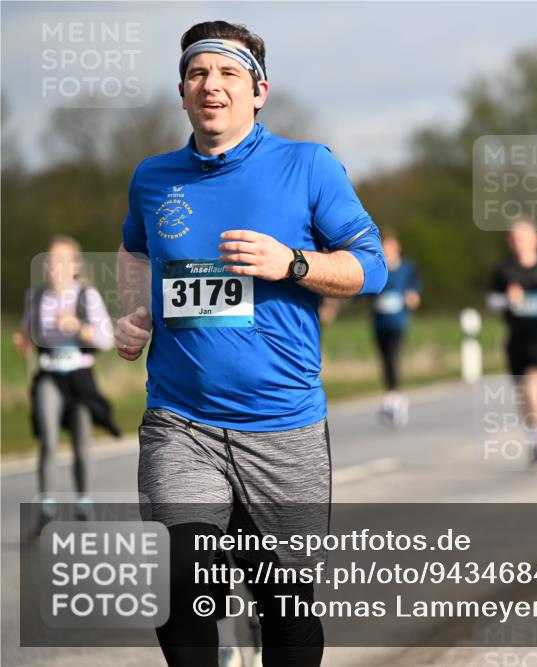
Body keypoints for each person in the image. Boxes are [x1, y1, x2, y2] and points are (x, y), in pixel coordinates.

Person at [114, 21, 386, 666]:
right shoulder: (154, 178)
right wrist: (137, 312)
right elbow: (134, 249)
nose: (212, 85)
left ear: (258, 91)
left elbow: (369, 266)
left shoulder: (307, 165)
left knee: (283, 602)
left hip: (282, 425)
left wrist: (292, 262)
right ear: (182, 91)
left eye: (228, 73)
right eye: (198, 74)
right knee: (178, 582)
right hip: (182, 421)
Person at [13, 236, 118, 530]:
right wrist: (22, 340)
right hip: (48, 374)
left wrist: (79, 328)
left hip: (80, 377)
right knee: (47, 438)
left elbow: (106, 339)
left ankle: (83, 501)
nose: (51, 267)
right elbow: (27, 329)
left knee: (81, 441)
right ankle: (47, 503)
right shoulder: (35, 296)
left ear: (74, 267)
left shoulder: (87, 296)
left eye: (58, 262)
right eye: (48, 261)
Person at [487, 219, 537, 467]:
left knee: (533, 383)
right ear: (510, 242)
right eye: (516, 238)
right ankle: (535, 434)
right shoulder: (504, 270)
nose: (520, 242)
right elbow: (491, 301)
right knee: (523, 393)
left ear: (536, 238)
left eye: (524, 237)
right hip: (516, 336)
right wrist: (508, 300)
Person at [371, 229, 422, 428]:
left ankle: (394, 398)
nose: (388, 250)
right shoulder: (377, 268)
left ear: (397, 247)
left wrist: (413, 296)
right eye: (384, 247)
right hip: (379, 321)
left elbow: (415, 288)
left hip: (399, 321)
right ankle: (393, 394)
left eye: (390, 247)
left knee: (393, 354)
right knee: (384, 358)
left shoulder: (407, 268)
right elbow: (365, 291)